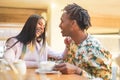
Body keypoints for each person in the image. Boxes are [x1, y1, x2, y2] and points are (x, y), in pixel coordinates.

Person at [54, 3, 112, 80]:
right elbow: (67, 66)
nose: (59, 25)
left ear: (73, 23)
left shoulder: (95, 48)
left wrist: (78, 71)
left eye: (62, 21)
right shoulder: (72, 43)